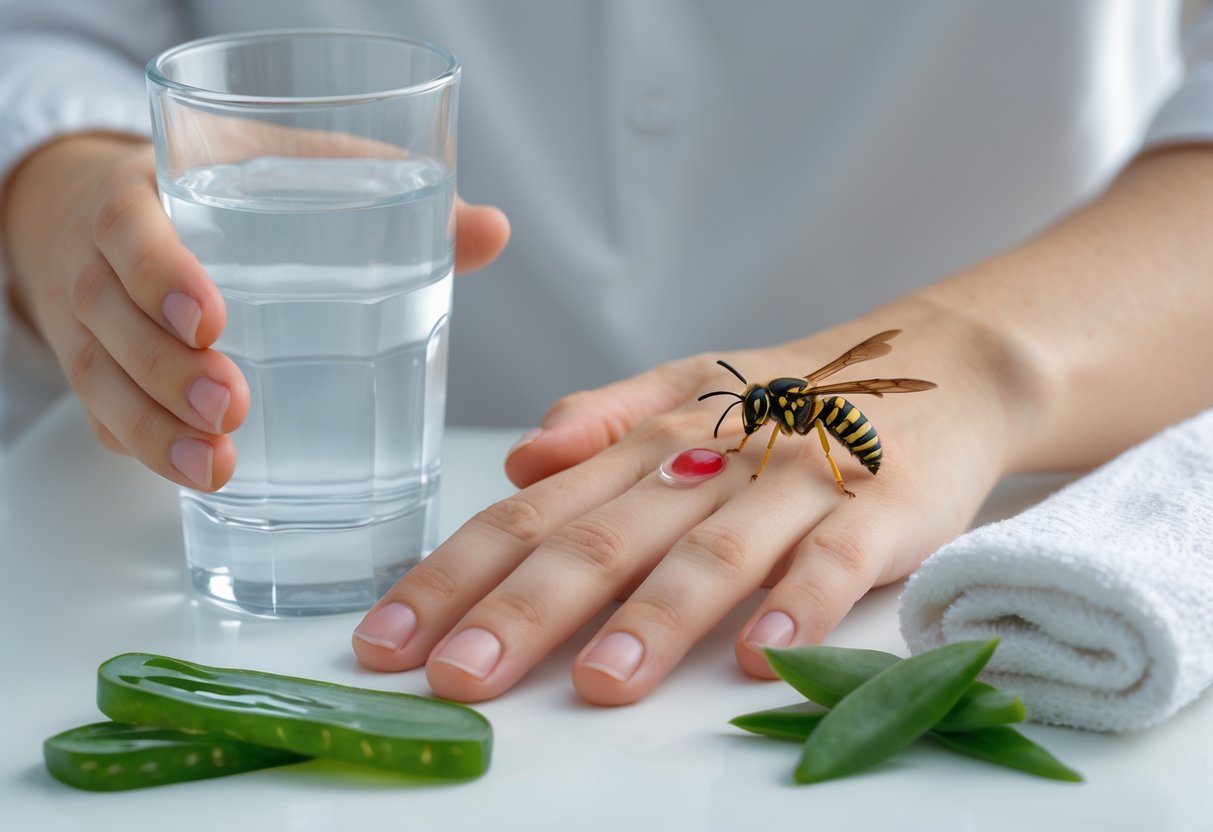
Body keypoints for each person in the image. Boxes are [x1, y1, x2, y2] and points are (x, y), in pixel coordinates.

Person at [1, 1, 1211, 706]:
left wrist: (991, 359)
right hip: (233, 546)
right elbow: (46, 35)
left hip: (986, 514)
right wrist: (60, 193)